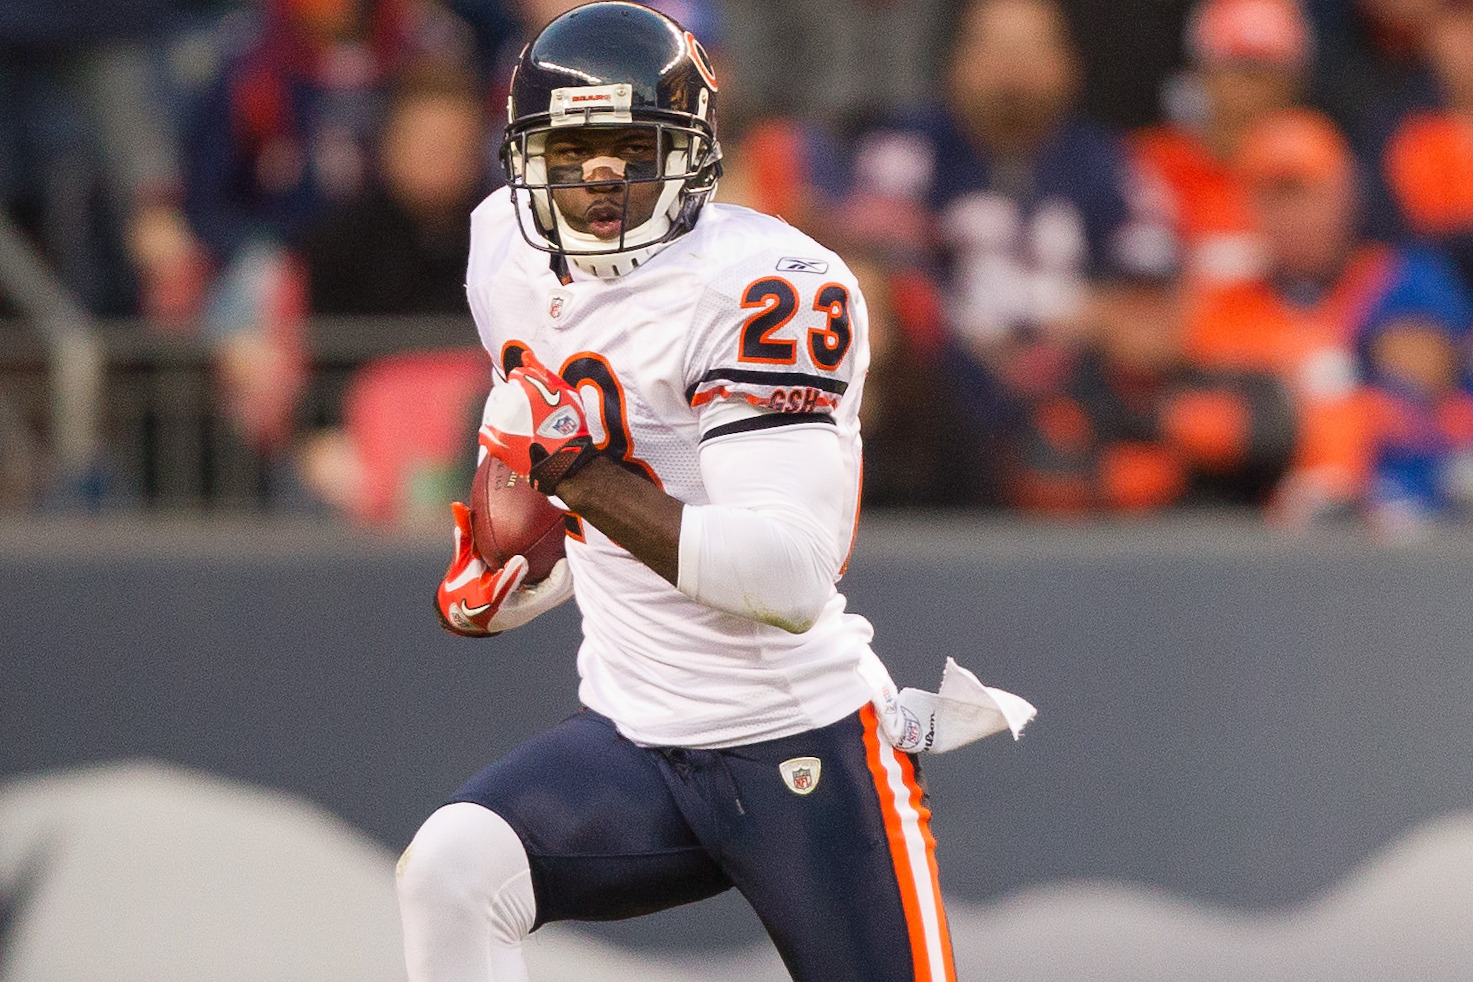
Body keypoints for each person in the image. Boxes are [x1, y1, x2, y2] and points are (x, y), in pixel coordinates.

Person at [393, 6, 1030, 982]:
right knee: (449, 867)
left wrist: (574, 476)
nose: (602, 178)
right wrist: (520, 562)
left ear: (693, 154)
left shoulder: (767, 287)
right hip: (636, 739)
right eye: (575, 149)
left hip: (799, 743)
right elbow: (555, 441)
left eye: (631, 148)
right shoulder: (502, 250)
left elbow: (787, 574)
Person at [1186, 108, 1473, 523]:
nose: (1293, 217)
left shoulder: (1399, 281)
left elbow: (1423, 407)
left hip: (1401, 516)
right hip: (1261, 529)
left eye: (1307, 193)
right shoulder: (1222, 303)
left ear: (1346, 192)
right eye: (1274, 197)